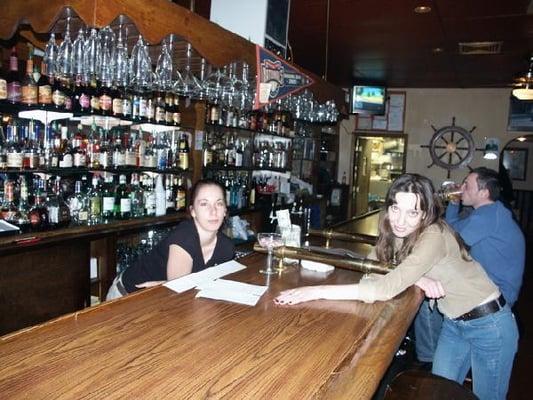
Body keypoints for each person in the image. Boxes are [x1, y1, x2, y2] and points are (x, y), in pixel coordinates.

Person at [275, 173, 518, 400]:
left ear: (425, 214)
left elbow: (384, 288)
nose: (400, 220)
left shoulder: (433, 234)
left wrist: (314, 292)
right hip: (454, 324)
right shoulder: (400, 233)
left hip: (490, 325)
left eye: (412, 212)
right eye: (395, 209)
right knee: (440, 394)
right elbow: (373, 268)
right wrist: (416, 277)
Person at [414, 167, 526, 364]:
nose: (461, 187)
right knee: (431, 284)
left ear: (484, 192)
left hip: (496, 294)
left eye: (467, 185)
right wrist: (453, 203)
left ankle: (427, 359)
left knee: (424, 298)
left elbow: (451, 240)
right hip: (483, 284)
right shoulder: (488, 212)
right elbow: (453, 228)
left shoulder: (489, 215)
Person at [106, 179, 235, 300]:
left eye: (219, 203)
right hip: (127, 296)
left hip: (159, 300)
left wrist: (168, 285)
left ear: (225, 210)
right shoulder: (184, 237)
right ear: (193, 211)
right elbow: (180, 295)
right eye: (204, 204)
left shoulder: (226, 248)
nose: (213, 211)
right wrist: (172, 286)